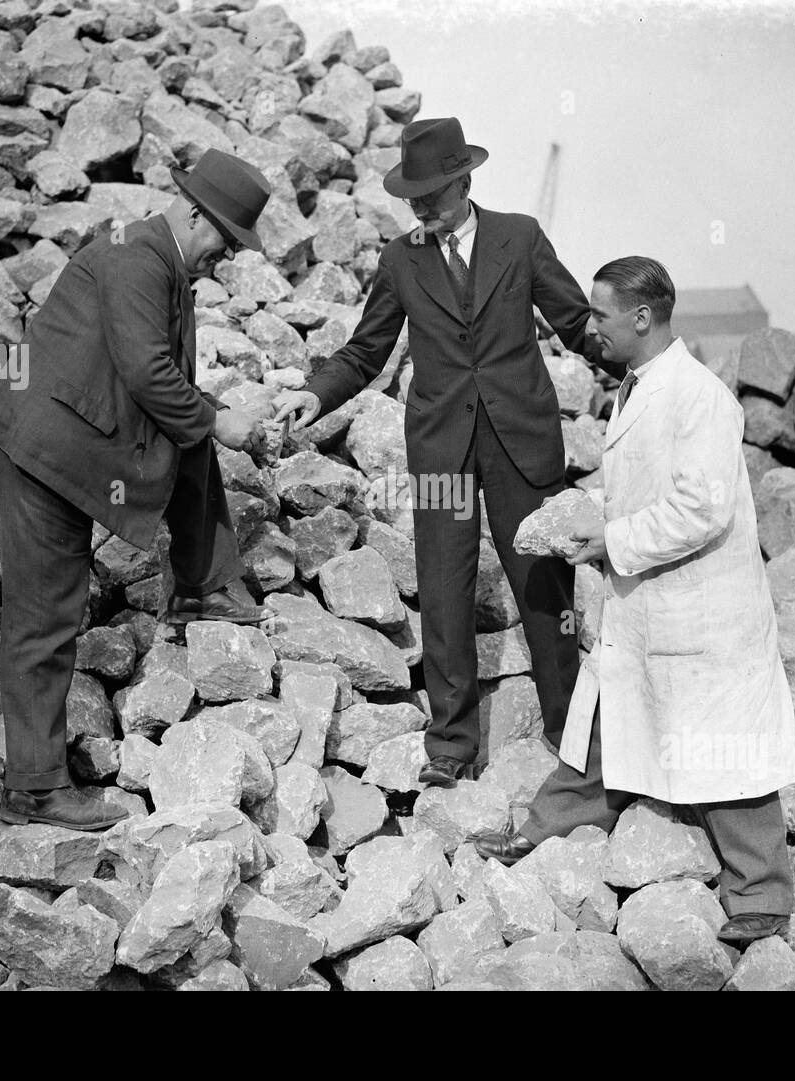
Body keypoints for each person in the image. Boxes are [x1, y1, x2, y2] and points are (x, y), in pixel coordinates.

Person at [273, 117, 619, 787]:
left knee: (545, 586)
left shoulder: (519, 236)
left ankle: (573, 741)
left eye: (433, 192)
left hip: (521, 438)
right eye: (413, 196)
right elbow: (367, 349)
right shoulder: (401, 258)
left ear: (465, 179)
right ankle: (452, 748)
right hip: (441, 453)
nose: (422, 206)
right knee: (443, 587)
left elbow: (576, 322)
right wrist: (316, 396)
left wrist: (640, 363)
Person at [473, 256, 795, 947]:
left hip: (702, 612)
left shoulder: (699, 396)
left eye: (599, 314)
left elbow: (701, 510)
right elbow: (645, 491)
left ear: (642, 317)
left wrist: (607, 537)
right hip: (646, 602)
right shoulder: (637, 388)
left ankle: (762, 893)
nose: (588, 325)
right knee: (607, 723)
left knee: (723, 751)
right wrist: (586, 511)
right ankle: (542, 830)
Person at [0, 150, 273, 831]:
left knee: (191, 434)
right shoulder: (140, 258)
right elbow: (146, 372)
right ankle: (36, 788)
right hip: (40, 448)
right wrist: (221, 419)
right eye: (225, 243)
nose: (224, 260)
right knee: (46, 613)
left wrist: (207, 420)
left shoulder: (160, 259)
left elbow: (165, 386)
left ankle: (203, 582)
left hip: (69, 437)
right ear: (195, 214)